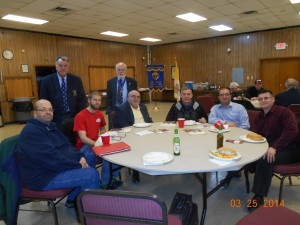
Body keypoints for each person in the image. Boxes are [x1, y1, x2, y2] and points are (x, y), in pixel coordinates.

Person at [14, 100, 100, 208]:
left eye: (50, 110)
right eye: (43, 110)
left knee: (88, 155)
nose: (48, 112)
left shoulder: (50, 127)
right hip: (44, 177)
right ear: (35, 113)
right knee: (91, 175)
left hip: (54, 169)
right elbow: (52, 159)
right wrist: (78, 165)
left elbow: (67, 146)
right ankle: (92, 215)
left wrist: (80, 157)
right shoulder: (32, 132)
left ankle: (73, 199)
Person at [247, 89, 300, 211]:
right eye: (260, 99)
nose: (263, 101)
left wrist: (275, 147)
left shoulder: (284, 112)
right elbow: (256, 134)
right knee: (253, 156)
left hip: (292, 148)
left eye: (266, 98)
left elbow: (292, 131)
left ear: (273, 99)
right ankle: (252, 167)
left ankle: (258, 196)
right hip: (272, 146)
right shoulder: (260, 116)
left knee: (265, 160)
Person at [73, 91, 122, 189]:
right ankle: (95, 182)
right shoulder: (80, 116)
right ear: (89, 100)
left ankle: (108, 180)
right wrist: (99, 145)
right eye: (95, 100)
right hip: (84, 146)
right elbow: (83, 138)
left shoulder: (99, 114)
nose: (97, 102)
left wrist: (104, 140)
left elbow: (102, 128)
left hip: (96, 143)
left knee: (116, 151)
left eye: (99, 100)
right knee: (90, 155)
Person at [115, 90, 153, 183]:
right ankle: (136, 170)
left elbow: (149, 120)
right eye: (133, 96)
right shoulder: (122, 109)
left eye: (138, 97)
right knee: (139, 146)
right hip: (132, 135)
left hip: (146, 132)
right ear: (128, 98)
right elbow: (124, 126)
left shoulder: (143, 107)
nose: (136, 99)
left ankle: (154, 163)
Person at [39, 56, 86, 128]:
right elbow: (43, 101)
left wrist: (81, 115)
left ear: (68, 67)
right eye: (60, 65)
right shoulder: (46, 81)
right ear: (56, 66)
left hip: (74, 116)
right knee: (58, 138)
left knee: (73, 137)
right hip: (55, 117)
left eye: (65, 66)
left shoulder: (76, 80)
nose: (63, 68)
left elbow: (82, 98)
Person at [106, 62, 138, 129]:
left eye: (123, 70)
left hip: (128, 109)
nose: (121, 71)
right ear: (116, 70)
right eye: (119, 69)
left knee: (128, 128)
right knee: (114, 129)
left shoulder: (132, 82)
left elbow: (136, 96)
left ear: (125, 70)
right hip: (114, 109)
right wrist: (110, 110)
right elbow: (108, 97)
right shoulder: (110, 82)